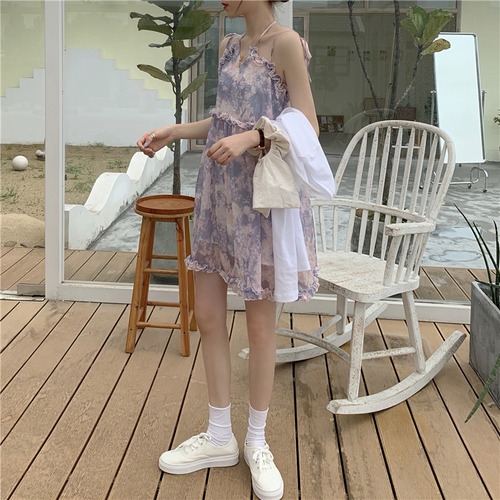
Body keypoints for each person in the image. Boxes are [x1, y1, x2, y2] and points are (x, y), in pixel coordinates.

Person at [137, 1, 320, 498]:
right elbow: (221, 123)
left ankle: (257, 441)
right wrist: (174, 132)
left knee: (260, 329)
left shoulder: (286, 44)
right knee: (210, 317)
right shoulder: (228, 46)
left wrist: (252, 139)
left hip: (261, 206)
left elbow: (309, 126)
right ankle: (220, 436)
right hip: (218, 198)